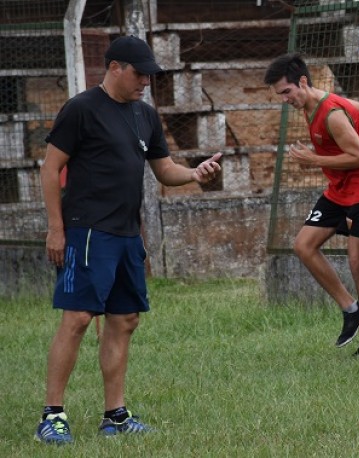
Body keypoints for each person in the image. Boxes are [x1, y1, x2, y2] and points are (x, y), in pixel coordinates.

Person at [36, 35, 222, 445]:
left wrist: (194, 173)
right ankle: (52, 415)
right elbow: (50, 169)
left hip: (126, 234)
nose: (145, 82)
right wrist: (56, 228)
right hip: (87, 231)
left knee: (124, 320)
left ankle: (115, 417)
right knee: (78, 318)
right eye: (139, 74)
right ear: (115, 68)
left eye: (150, 76)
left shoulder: (145, 115)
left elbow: (164, 169)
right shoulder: (81, 109)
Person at [263, 54, 359, 356]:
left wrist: (315, 159)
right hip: (340, 189)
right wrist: (351, 120)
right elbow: (358, 107)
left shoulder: (331, 114)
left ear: (303, 82)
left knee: (358, 263)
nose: (284, 99)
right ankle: (351, 309)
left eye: (287, 92)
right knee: (304, 245)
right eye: (279, 94)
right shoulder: (316, 104)